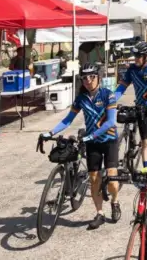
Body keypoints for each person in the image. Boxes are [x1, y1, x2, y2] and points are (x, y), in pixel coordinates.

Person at [42, 63, 120, 230]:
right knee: (94, 179)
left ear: (98, 77)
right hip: (92, 143)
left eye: (92, 77)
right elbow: (67, 120)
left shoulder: (108, 95)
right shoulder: (81, 98)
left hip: (109, 140)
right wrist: (50, 132)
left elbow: (111, 122)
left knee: (112, 181)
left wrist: (91, 135)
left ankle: (115, 201)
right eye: (84, 78)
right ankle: (100, 213)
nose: (88, 81)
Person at [114, 42, 147, 170]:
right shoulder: (132, 70)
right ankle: (146, 171)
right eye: (135, 56)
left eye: (139, 56)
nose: (136, 58)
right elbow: (121, 88)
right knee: (145, 142)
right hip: (142, 110)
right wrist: (110, 101)